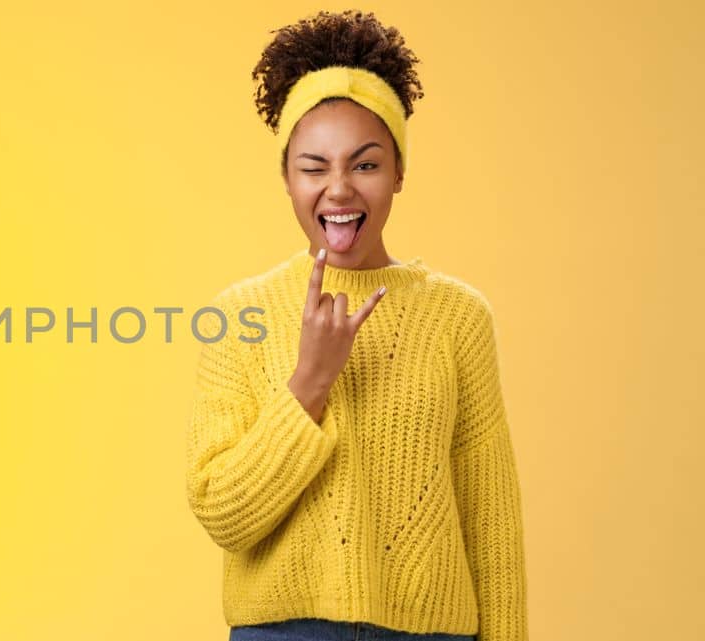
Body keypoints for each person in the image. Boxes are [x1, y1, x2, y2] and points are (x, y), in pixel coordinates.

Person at [183, 11, 528, 641]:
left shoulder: (459, 317)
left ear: (399, 172)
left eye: (365, 165)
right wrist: (309, 381)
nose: (338, 190)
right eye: (314, 167)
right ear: (287, 179)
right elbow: (222, 513)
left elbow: (491, 518)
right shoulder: (240, 315)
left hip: (430, 634)